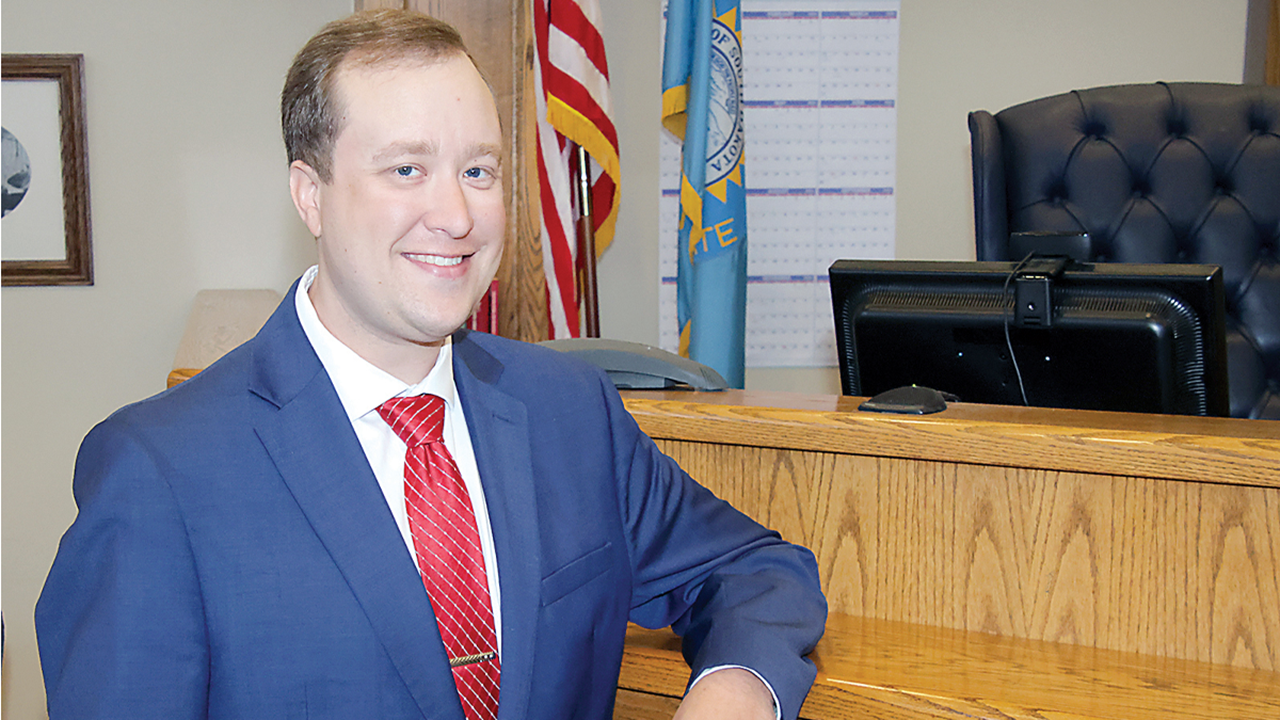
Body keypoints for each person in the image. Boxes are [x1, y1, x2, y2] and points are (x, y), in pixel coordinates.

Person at [36, 9, 826, 720]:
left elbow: (757, 567)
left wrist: (735, 687)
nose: (454, 216)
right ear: (310, 195)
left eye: (477, 171)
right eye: (406, 169)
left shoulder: (569, 410)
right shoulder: (160, 472)